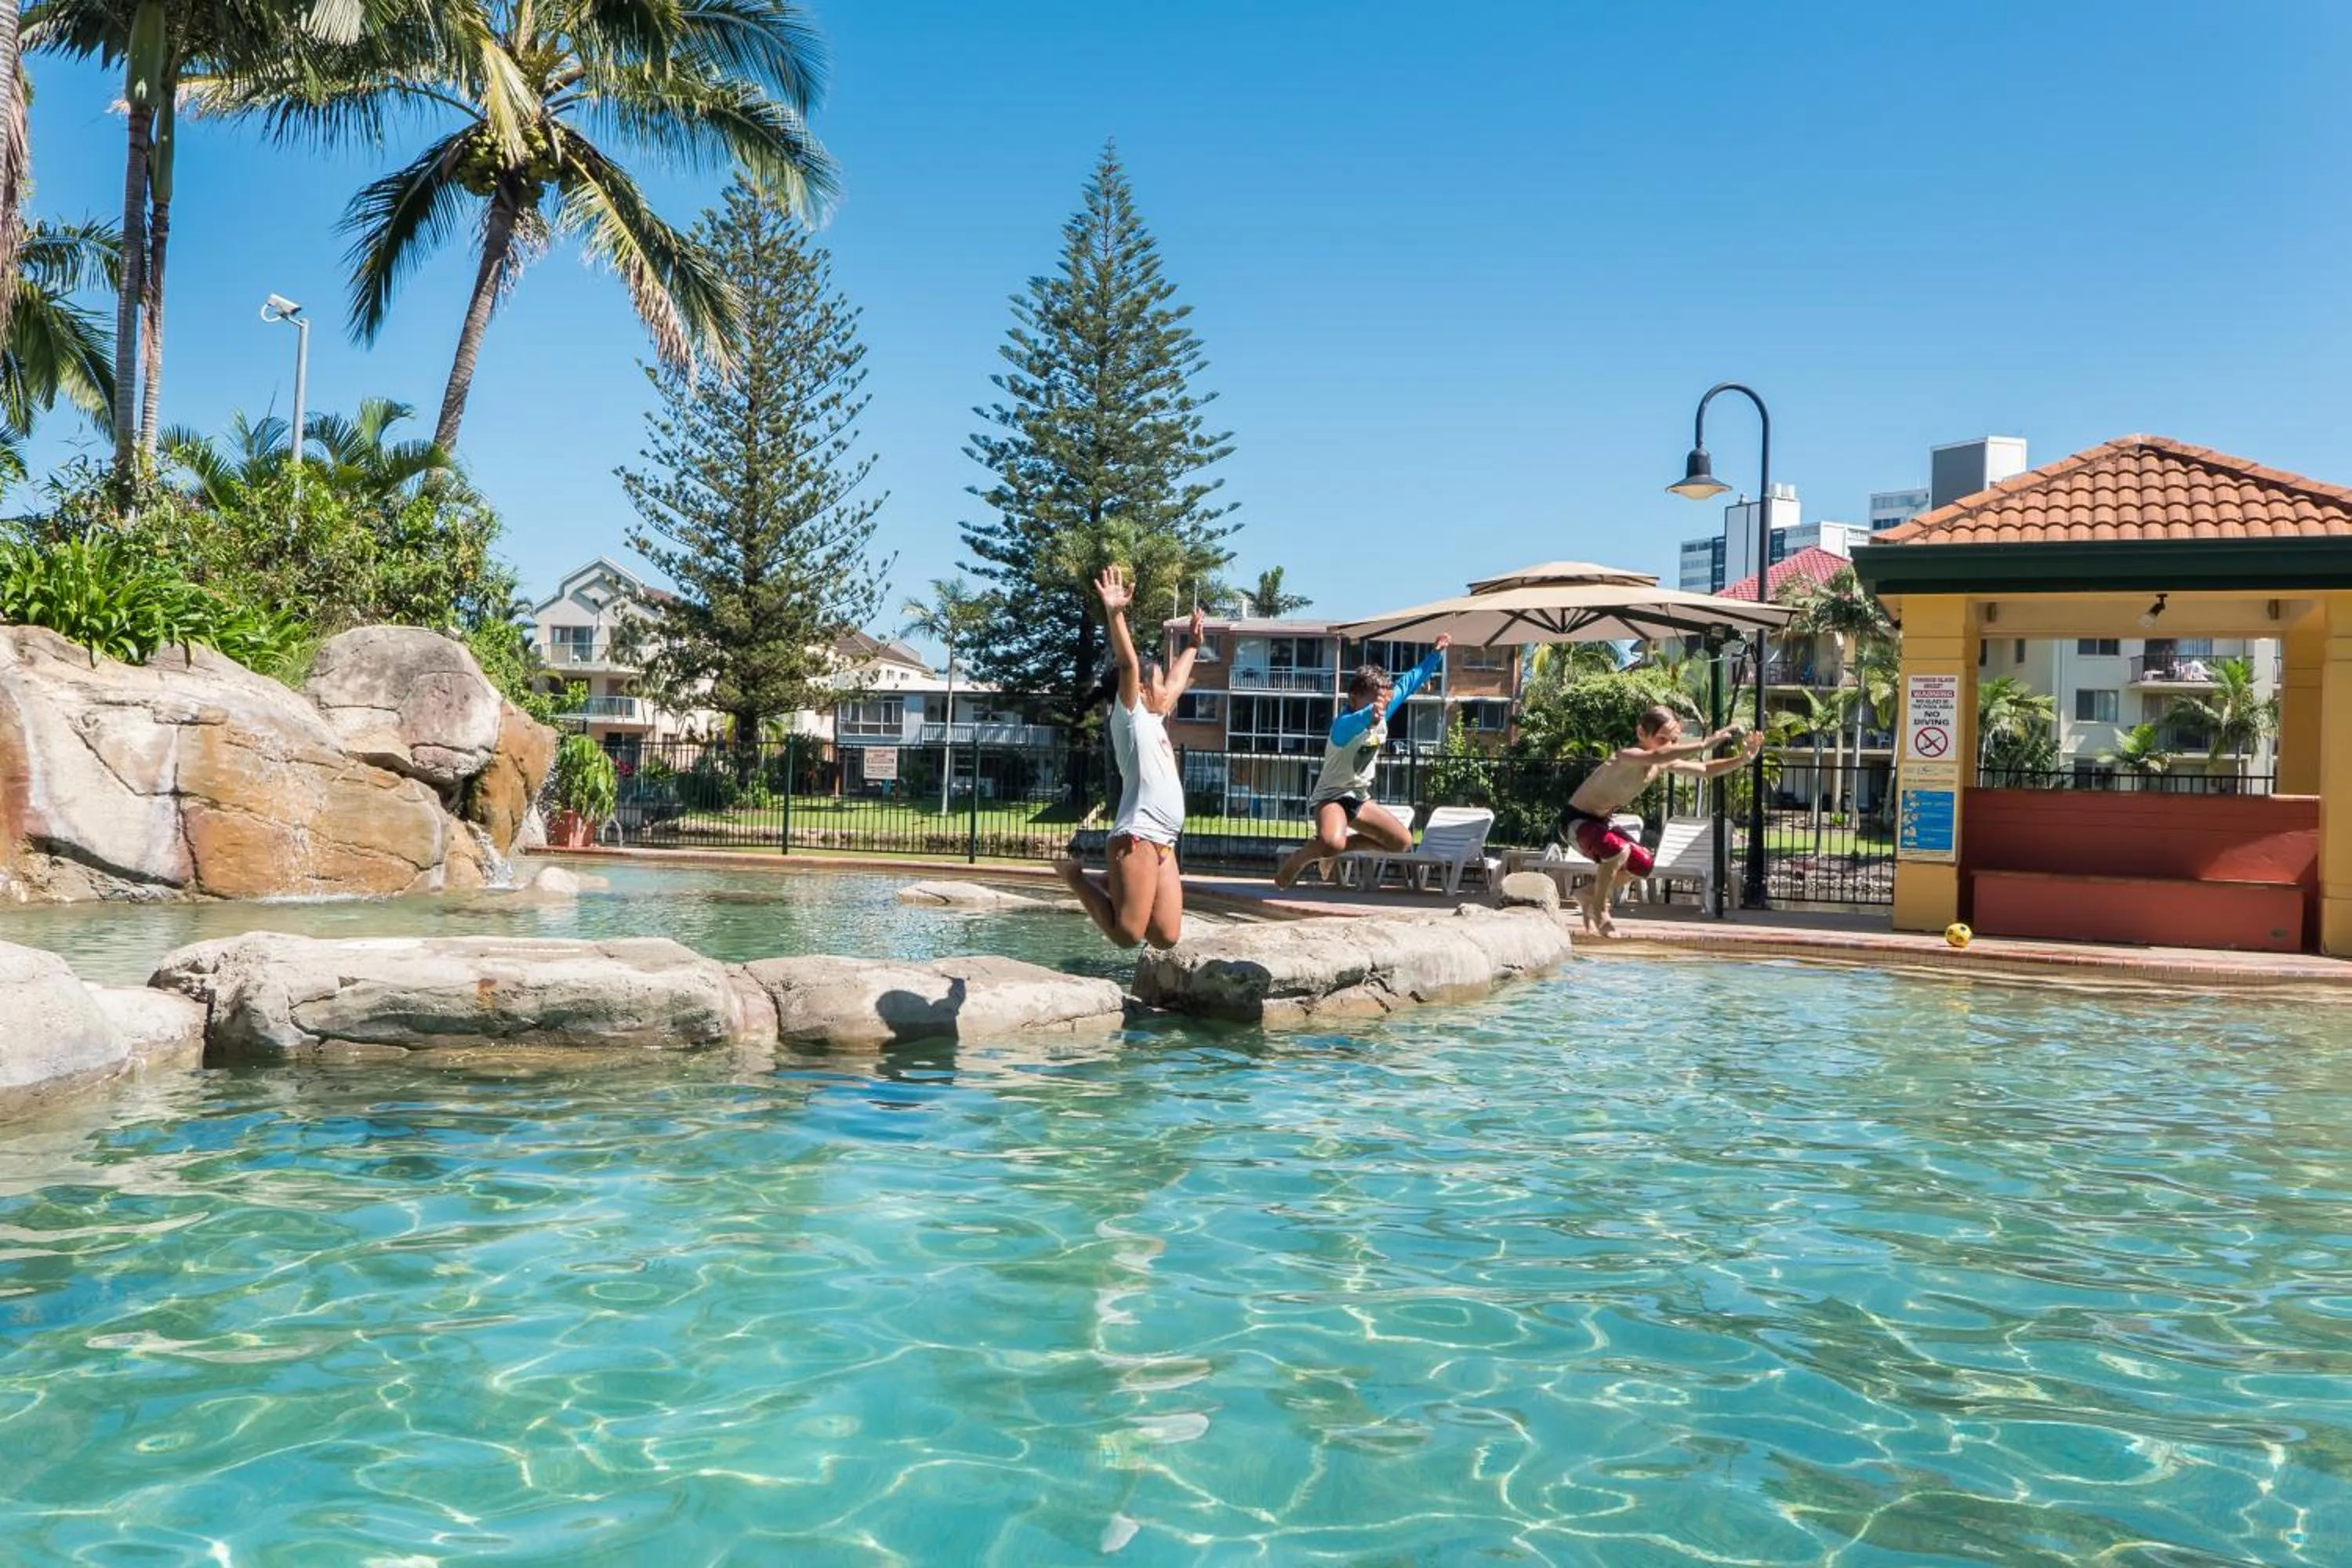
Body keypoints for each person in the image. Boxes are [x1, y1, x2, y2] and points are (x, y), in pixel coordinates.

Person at [1053, 564, 1204, 949]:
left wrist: (1193, 646)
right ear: (1140, 689)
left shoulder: (1155, 716)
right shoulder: (1129, 717)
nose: (1164, 690)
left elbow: (1171, 689)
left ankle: (1119, 882)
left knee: (1167, 936)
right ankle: (1076, 878)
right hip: (1137, 836)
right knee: (1127, 935)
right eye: (1156, 683)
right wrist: (1115, 613)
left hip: (1164, 840)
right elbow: (1128, 664)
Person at [1558, 705, 1762, 936]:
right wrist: (1704, 744)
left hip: (1600, 823)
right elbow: (1655, 755)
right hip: (1575, 822)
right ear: (1641, 734)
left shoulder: (1662, 762)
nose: (1669, 746)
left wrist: (1743, 759)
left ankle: (1588, 893)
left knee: (1643, 864)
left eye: (1674, 740)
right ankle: (1600, 908)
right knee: (1619, 851)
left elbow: (1704, 768)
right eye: (1662, 738)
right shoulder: (1625, 756)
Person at [1273, 635, 1452, 890]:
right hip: (1331, 798)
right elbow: (1357, 721)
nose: (1381, 707)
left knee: (1401, 843)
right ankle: (1300, 859)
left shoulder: (1384, 709)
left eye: (1384, 702)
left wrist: (1435, 654)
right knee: (1332, 841)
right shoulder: (1343, 725)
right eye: (1374, 701)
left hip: (1359, 798)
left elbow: (1409, 682)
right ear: (1354, 697)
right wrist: (1370, 713)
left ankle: (1334, 852)